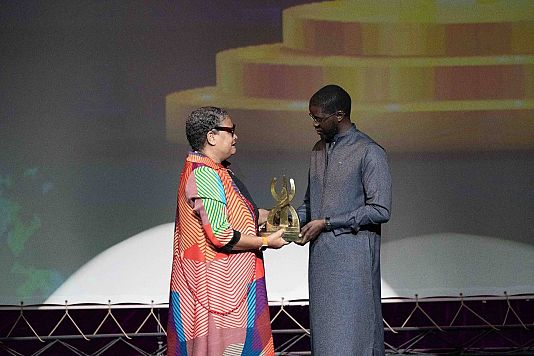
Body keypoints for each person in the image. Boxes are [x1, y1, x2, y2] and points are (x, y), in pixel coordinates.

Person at [167, 106, 288, 356]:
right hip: (217, 290)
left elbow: (240, 214)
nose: (235, 137)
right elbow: (221, 234)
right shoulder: (205, 175)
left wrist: (273, 216)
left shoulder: (217, 171)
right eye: (230, 131)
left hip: (227, 286)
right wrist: (266, 241)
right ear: (212, 136)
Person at [296, 85, 392, 355]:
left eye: (319, 118)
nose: (314, 124)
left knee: (354, 336)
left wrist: (327, 223)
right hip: (322, 261)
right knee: (326, 341)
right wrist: (285, 223)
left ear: (339, 115)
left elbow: (380, 209)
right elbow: (310, 203)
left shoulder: (369, 151)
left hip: (353, 260)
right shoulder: (317, 150)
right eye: (311, 118)